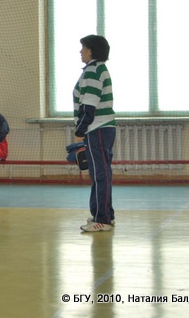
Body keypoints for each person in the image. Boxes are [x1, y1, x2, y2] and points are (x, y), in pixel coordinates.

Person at [73, 34, 116, 233]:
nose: (80, 51)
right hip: (103, 128)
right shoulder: (99, 69)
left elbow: (89, 105)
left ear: (91, 50)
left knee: (99, 173)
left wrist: (80, 130)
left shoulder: (93, 70)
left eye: (83, 48)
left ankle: (102, 219)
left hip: (97, 128)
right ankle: (105, 214)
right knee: (102, 172)